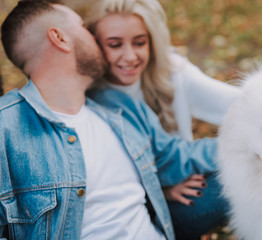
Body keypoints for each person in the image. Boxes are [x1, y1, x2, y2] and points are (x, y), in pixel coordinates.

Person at [0, 1, 221, 239]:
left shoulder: (119, 106)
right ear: (59, 38)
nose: (94, 38)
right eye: (83, 27)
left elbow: (177, 156)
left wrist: (251, 143)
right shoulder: (7, 128)